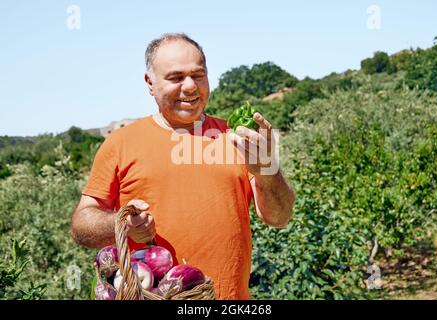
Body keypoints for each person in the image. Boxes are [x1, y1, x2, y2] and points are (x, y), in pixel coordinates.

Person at [70, 33, 296, 300]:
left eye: (198, 75)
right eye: (176, 77)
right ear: (150, 83)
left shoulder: (237, 138)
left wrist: (267, 169)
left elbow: (280, 217)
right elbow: (81, 226)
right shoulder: (121, 143)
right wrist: (120, 225)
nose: (190, 86)